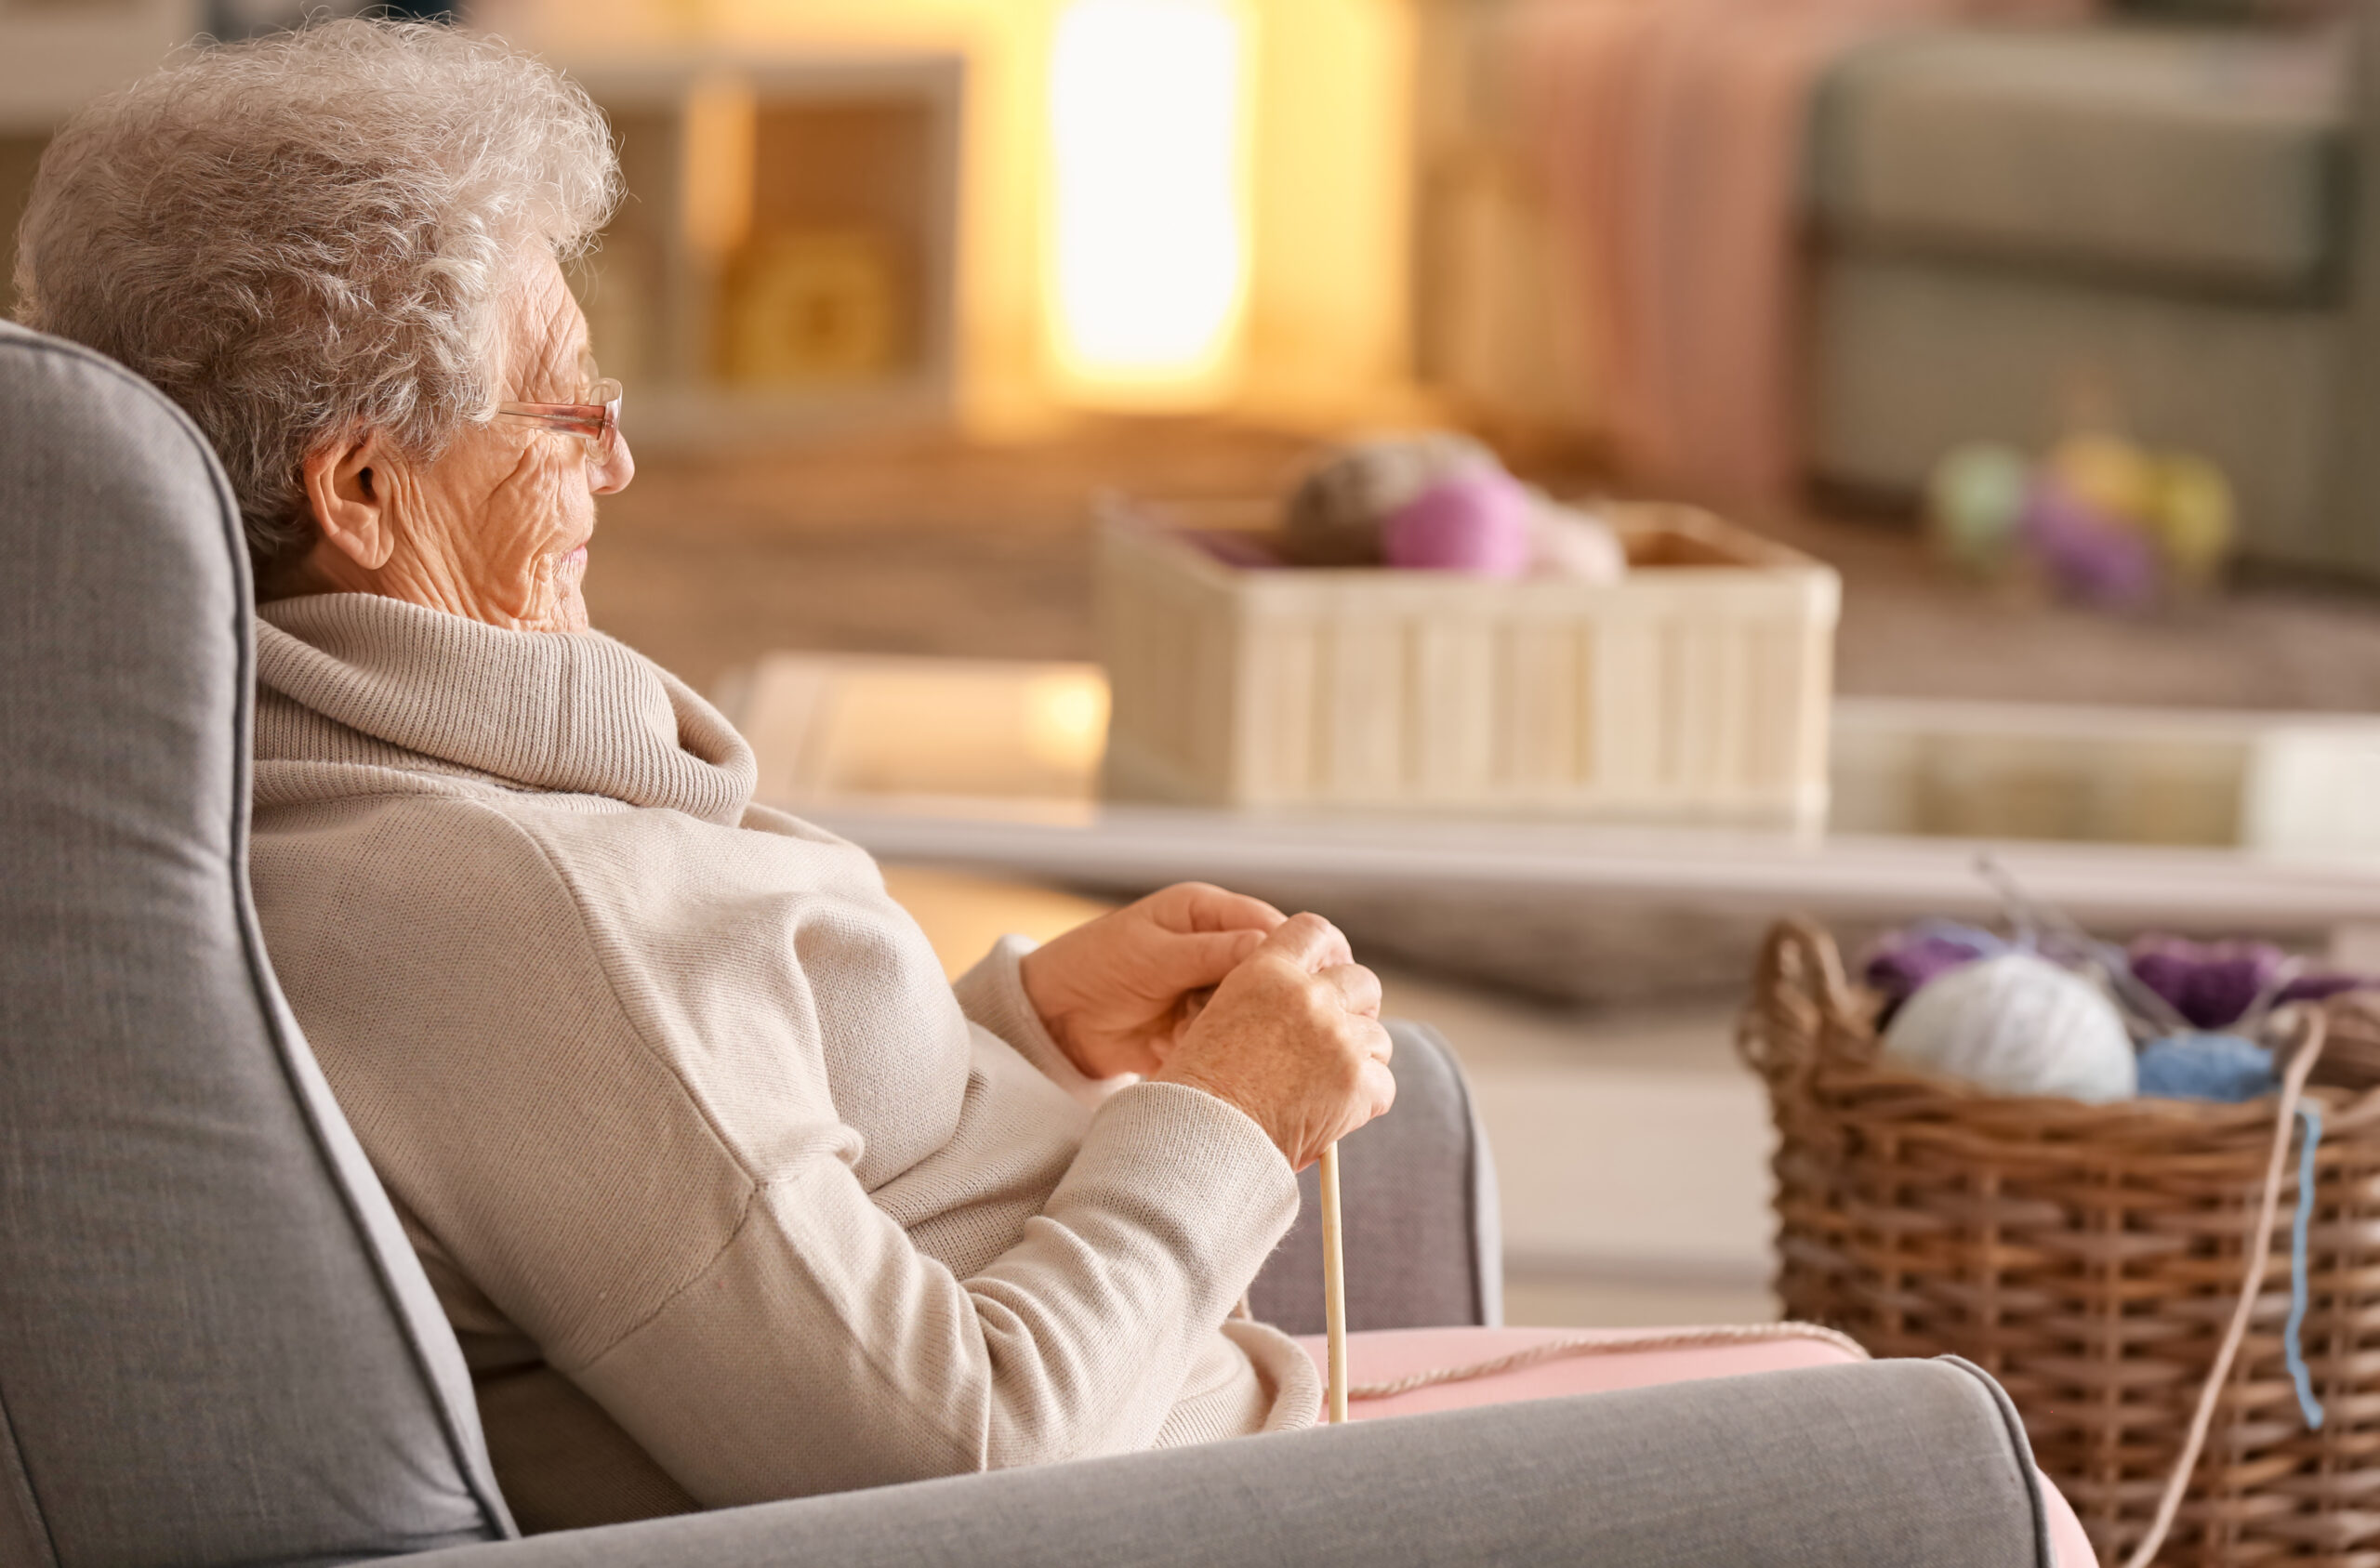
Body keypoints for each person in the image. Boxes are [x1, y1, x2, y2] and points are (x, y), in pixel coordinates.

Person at [13, 20, 1391, 1530]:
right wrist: (1232, 1115)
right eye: (568, 412)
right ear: (359, 489)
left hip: (1223, 1426)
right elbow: (960, 1471)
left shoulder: (342, 805)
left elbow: (695, 1189)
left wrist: (1013, 1032)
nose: (616, 464)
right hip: (1234, 1500)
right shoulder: (507, 909)